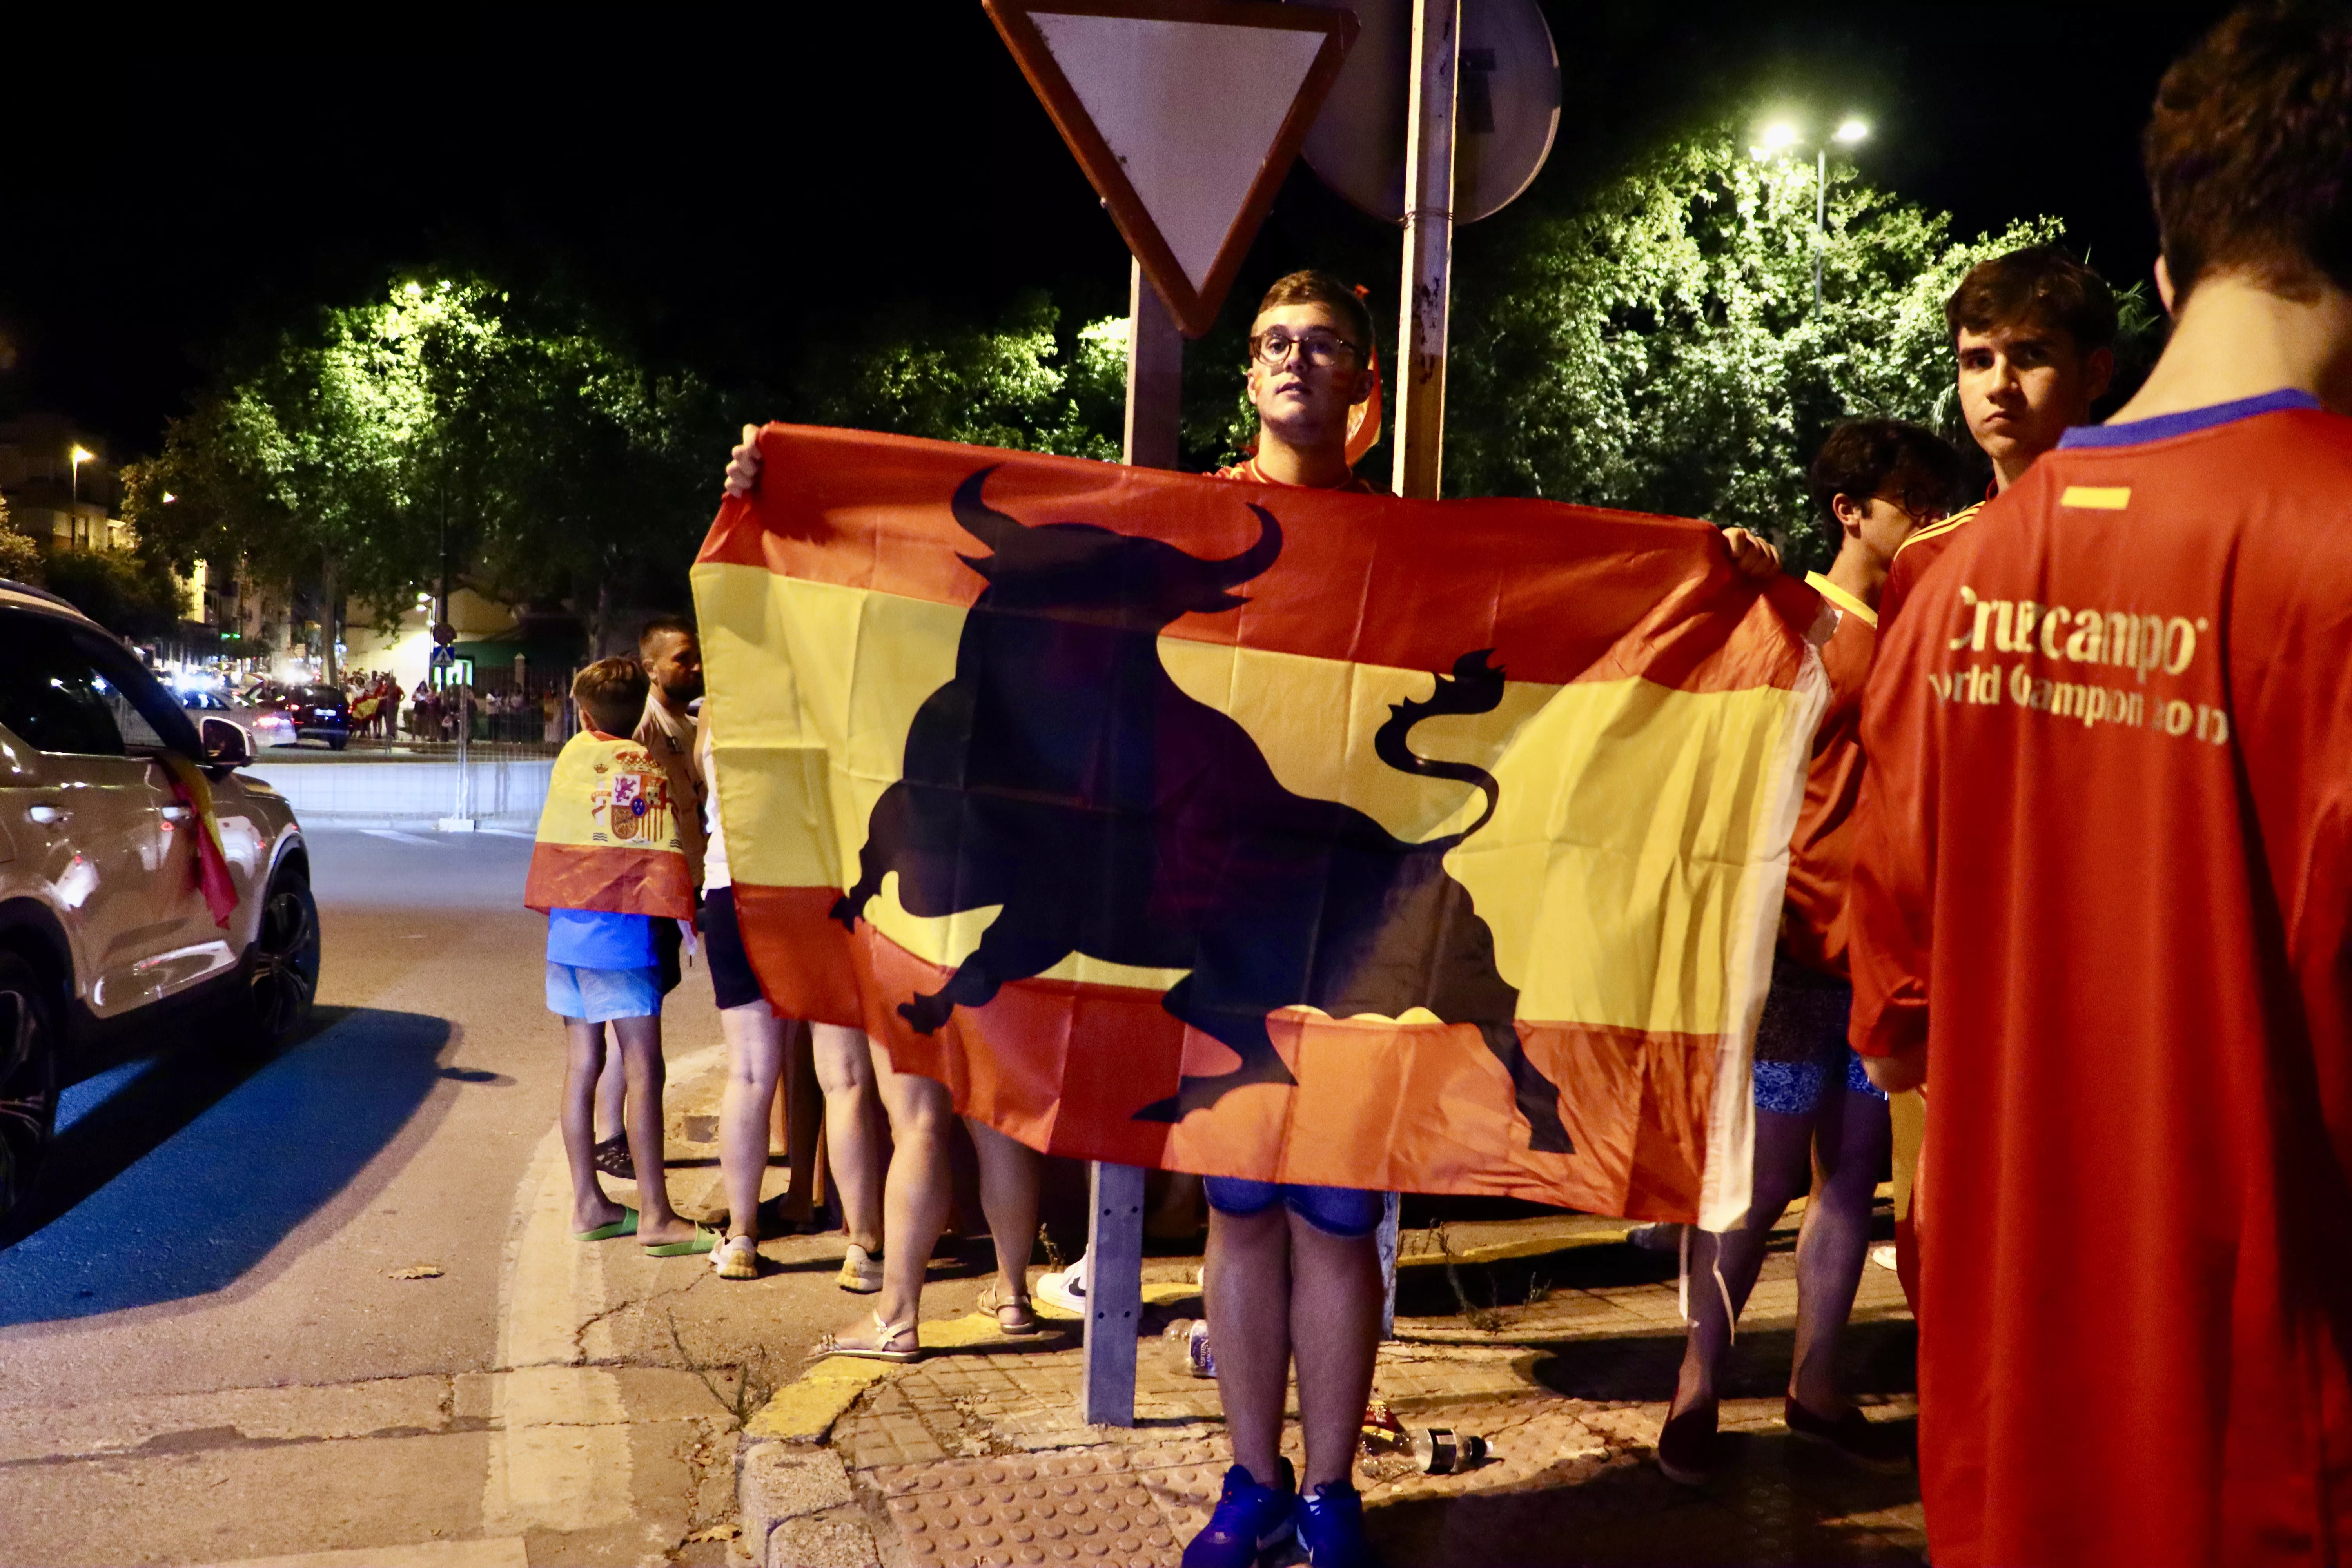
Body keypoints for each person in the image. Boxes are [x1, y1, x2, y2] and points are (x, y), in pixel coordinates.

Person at [1850, 6, 2352, 1562]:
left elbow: (1897, 1003)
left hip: (2013, 1456)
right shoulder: (2333, 555)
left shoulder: (1959, 582)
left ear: (2165, 267)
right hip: (2275, 1460)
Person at [1655, 419, 1961, 1487]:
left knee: (1853, 1177)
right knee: (1763, 1177)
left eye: (1933, 498)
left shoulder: (1925, 625)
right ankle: (1697, 1389)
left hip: (1873, 948)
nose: (1922, 516)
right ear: (1850, 510)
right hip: (1789, 946)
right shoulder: (1803, 619)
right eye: (1905, 498)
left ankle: (1816, 1387)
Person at [544, 657, 714, 1258]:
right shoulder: (642, 770)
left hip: (567, 933)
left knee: (582, 1065)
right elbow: (663, 857)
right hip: (622, 938)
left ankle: (590, 1204)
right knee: (644, 1069)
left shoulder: (570, 760)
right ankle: (657, 1217)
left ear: (584, 714)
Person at [1875, 246, 2119, 631]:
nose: (1999, 385)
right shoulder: (1924, 562)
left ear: (2095, 374)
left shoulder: (2149, 540)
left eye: (2031, 354)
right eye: (1978, 361)